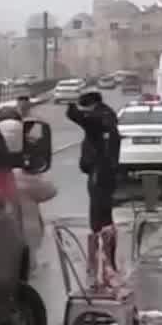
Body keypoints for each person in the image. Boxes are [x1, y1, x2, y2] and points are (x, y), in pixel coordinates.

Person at [65, 90, 122, 281]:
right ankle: (106, 263)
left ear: (90, 106)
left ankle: (100, 265)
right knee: (104, 218)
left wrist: (73, 111)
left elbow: (87, 121)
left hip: (100, 175)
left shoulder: (100, 119)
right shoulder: (107, 117)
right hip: (105, 174)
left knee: (99, 220)